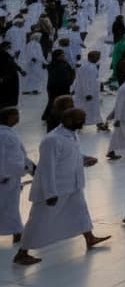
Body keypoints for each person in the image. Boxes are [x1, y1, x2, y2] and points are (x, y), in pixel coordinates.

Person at [13, 108, 110, 266]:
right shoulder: (52, 140)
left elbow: (70, 155)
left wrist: (85, 159)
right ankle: (22, 252)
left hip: (73, 185)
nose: (83, 122)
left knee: (80, 212)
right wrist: (50, 193)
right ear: (68, 120)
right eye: (80, 119)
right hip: (55, 189)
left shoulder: (71, 135)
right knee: (39, 220)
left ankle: (89, 238)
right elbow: (46, 168)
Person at [0, 107, 34, 242]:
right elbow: (7, 158)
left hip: (9, 177)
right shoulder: (5, 135)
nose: (18, 118)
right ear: (9, 118)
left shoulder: (8, 133)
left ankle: (17, 231)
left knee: (10, 206)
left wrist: (31, 168)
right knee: (8, 206)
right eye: (16, 115)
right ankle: (17, 232)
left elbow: (19, 156)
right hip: (5, 179)